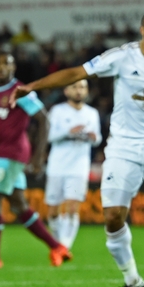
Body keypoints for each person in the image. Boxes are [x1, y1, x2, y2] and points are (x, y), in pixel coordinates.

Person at [11, 11, 144, 287]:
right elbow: (77, 73)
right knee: (113, 217)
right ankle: (133, 280)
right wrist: (33, 86)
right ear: (142, 30)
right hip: (123, 147)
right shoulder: (122, 56)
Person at [0, 51, 71, 269]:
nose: (1, 68)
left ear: (13, 68)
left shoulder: (21, 92)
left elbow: (43, 120)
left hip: (14, 153)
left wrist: (38, 157)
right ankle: (57, 247)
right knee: (19, 205)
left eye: (5, 64)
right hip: (1, 153)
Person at [44, 79, 101, 250]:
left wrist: (93, 137)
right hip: (57, 166)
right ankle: (58, 241)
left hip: (79, 168)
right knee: (53, 212)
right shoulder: (57, 111)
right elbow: (49, 136)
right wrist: (69, 131)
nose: (79, 91)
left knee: (72, 207)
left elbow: (98, 139)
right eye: (75, 87)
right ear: (66, 91)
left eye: (82, 87)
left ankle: (64, 247)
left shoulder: (92, 113)